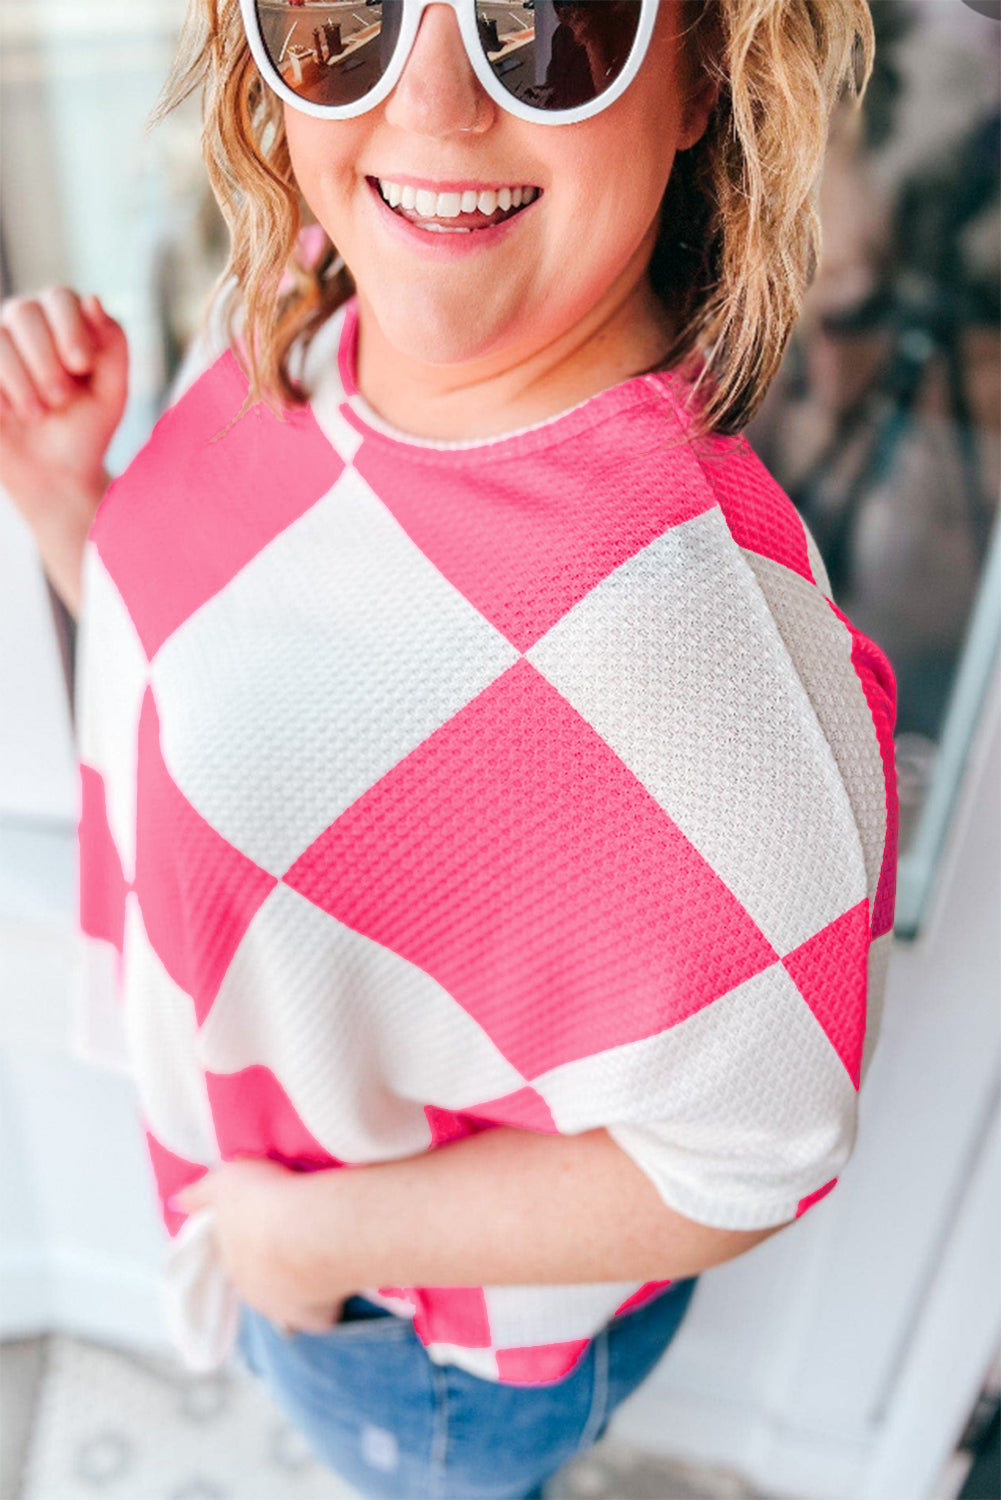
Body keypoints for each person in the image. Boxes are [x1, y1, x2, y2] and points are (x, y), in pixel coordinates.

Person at [0, 2, 899, 1497]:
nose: (425, 107)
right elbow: (276, 702)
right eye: (344, 17)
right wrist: (74, 511)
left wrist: (310, 1244)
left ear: (702, 73)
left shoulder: (688, 649)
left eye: (541, 26)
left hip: (406, 1328)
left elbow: (763, 1141)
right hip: (289, 1223)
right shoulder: (324, 291)